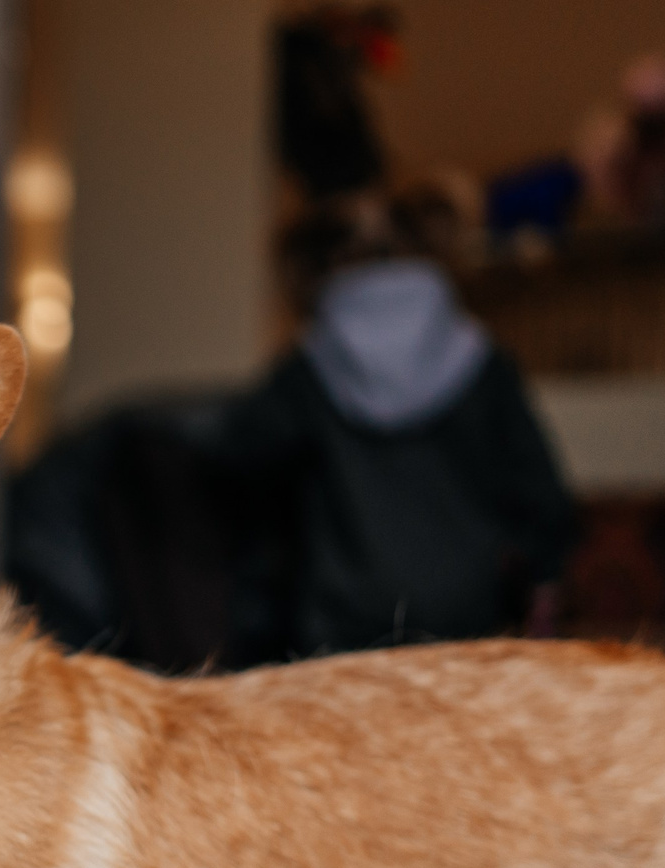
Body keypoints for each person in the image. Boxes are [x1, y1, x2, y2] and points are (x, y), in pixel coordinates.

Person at [225, 195, 578, 659]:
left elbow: (242, 489)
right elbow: (544, 500)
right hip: (465, 624)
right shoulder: (484, 364)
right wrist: (539, 576)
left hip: (334, 635)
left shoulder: (304, 373)